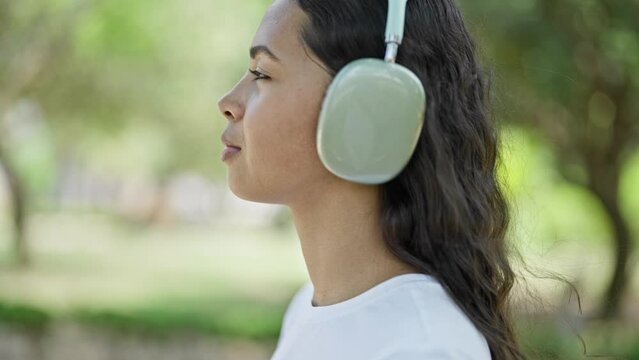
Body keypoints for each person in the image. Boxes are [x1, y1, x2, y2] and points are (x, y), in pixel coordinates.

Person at [217, 0, 525, 358]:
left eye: (261, 74)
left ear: (371, 106)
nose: (227, 102)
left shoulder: (423, 348)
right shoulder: (311, 307)